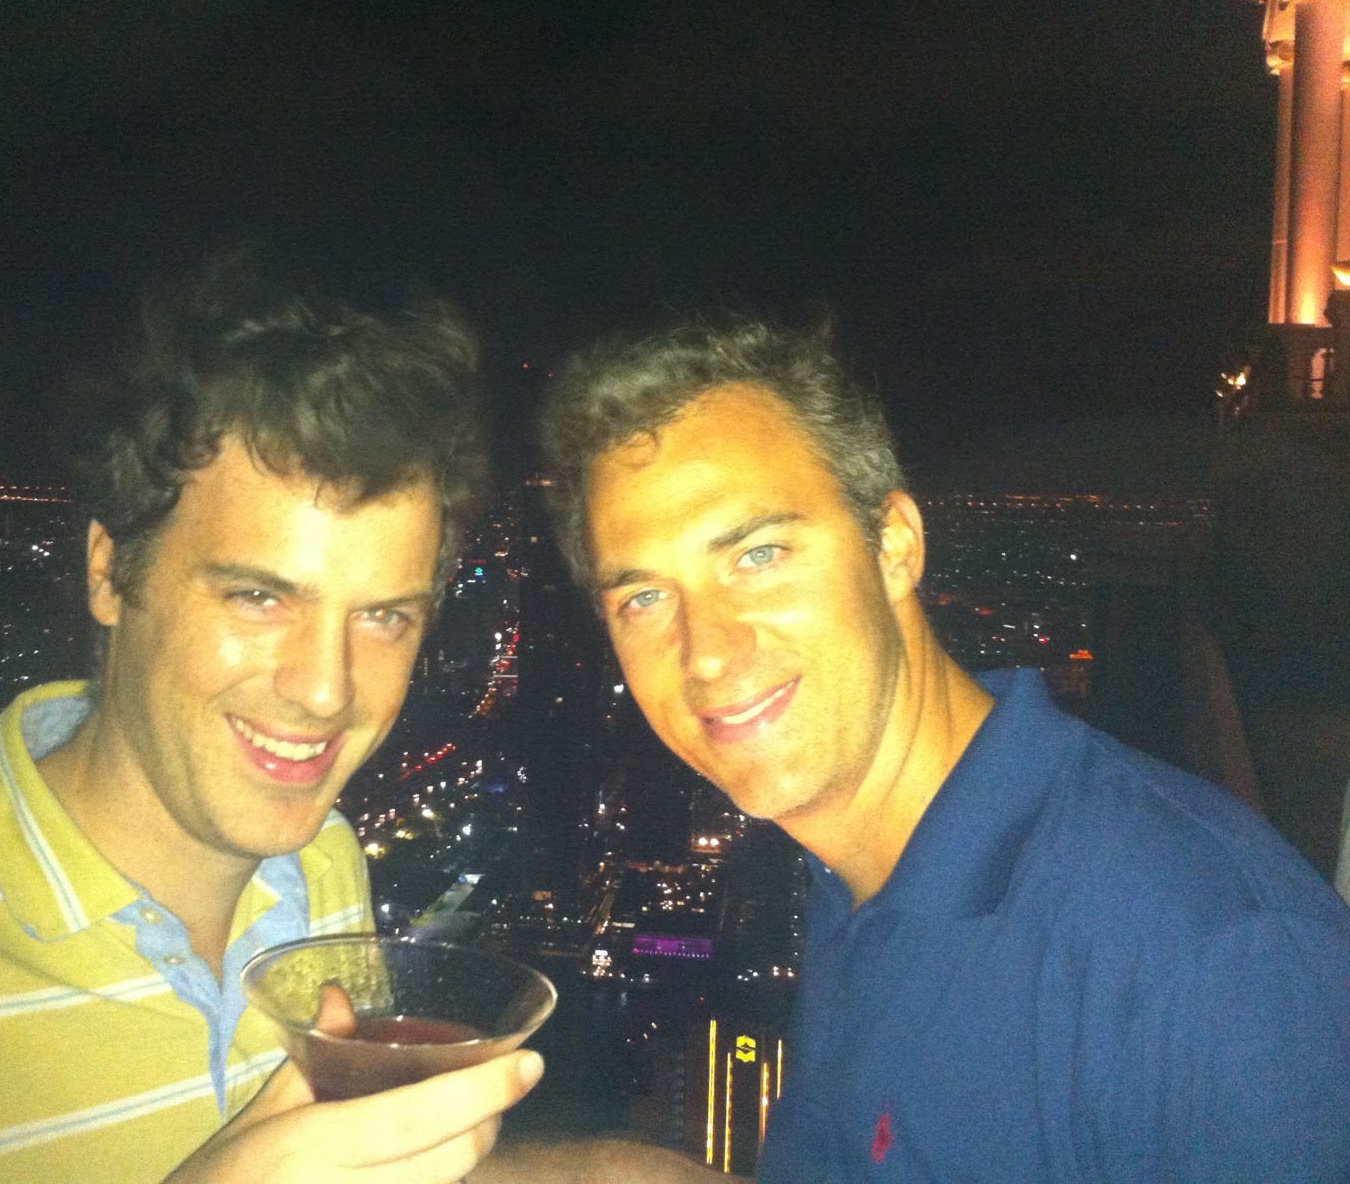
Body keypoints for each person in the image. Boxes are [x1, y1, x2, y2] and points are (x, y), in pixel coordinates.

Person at [0, 254, 544, 1182]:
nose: (326, 690)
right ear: (108, 573)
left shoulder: (325, 870)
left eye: (383, 616)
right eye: (258, 596)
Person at [530, 314, 1350, 1182]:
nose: (705, 652)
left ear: (894, 545)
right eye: (643, 599)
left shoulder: (1211, 962)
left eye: (759, 554)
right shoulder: (859, 878)